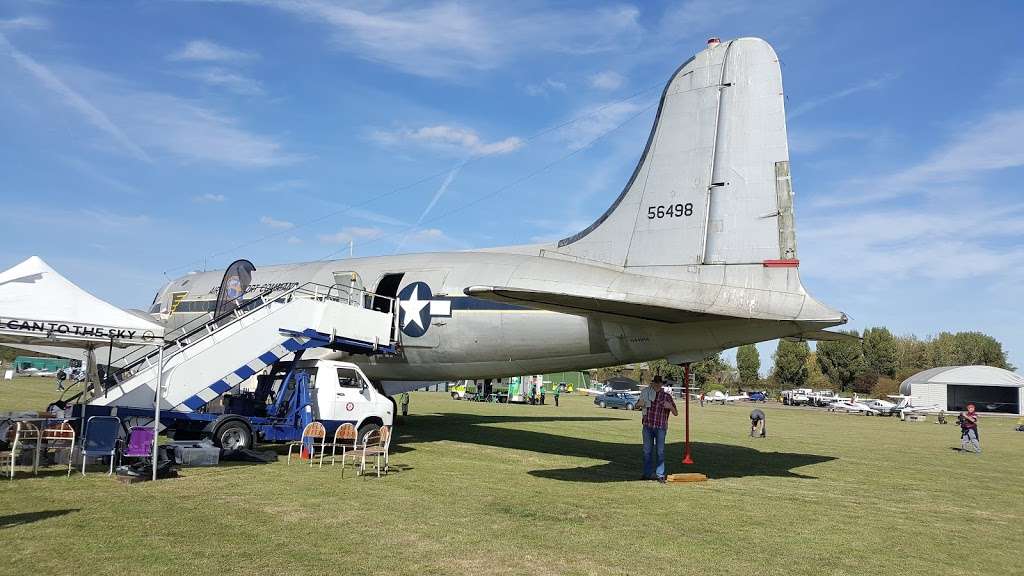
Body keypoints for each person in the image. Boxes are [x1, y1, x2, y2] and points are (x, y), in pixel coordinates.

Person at [636, 375, 678, 483]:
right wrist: (638, 404)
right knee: (646, 451)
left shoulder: (667, 396)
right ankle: (647, 474)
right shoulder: (646, 393)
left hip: (660, 428)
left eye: (659, 383)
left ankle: (660, 475)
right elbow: (637, 405)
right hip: (647, 426)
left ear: (662, 384)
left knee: (660, 451)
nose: (657, 385)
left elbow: (676, 413)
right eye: (655, 383)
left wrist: (670, 407)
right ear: (653, 383)